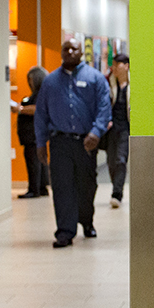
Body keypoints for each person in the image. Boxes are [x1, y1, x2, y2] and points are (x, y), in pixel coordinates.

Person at [34, 38, 111, 248]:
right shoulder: (50, 82)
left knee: (86, 186)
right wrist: (41, 143)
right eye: (65, 49)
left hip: (86, 143)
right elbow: (41, 114)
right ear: (61, 53)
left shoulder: (95, 79)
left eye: (73, 48)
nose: (69, 51)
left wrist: (96, 132)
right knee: (62, 187)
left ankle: (86, 221)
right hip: (60, 142)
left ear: (81, 52)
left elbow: (104, 107)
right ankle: (65, 232)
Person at [14, 66, 50, 198]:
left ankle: (34, 189)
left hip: (33, 134)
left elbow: (37, 109)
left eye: (30, 79)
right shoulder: (37, 94)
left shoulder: (41, 94)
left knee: (33, 161)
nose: (29, 82)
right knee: (38, 161)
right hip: (33, 134)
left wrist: (20, 109)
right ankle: (41, 188)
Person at [106, 53, 130, 208]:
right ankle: (116, 186)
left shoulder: (133, 85)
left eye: (117, 65)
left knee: (121, 160)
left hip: (125, 128)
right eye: (113, 65)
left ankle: (117, 194)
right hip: (110, 129)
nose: (114, 68)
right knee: (111, 162)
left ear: (126, 66)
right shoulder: (108, 83)